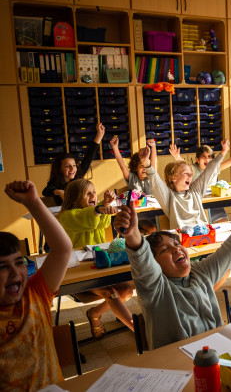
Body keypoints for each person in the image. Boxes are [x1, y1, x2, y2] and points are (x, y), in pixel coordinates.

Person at [113, 195, 231, 350]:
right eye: (165, 249)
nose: (176, 249)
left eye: (176, 244)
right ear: (154, 264)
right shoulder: (155, 288)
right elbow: (142, 263)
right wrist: (133, 234)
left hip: (215, 353)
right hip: (177, 364)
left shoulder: (200, 272)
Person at [0, 181, 73, 391]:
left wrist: (33, 202)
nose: (15, 273)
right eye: (3, 267)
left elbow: (62, 249)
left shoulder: (34, 294)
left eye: (19, 262)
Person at [58, 179, 134, 338]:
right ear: (74, 198)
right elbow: (88, 220)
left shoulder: (93, 211)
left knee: (126, 290)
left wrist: (105, 205)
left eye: (94, 191)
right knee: (110, 292)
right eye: (88, 193)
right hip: (81, 272)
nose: (93, 195)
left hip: (101, 266)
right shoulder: (66, 216)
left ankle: (94, 313)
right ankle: (138, 330)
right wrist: (100, 208)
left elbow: (101, 223)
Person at [143, 139, 229, 229]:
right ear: (173, 177)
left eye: (191, 174)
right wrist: (146, 162)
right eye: (186, 174)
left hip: (204, 236)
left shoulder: (195, 190)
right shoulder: (168, 196)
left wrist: (224, 151)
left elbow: (210, 169)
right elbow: (154, 179)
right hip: (183, 239)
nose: (190, 176)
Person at [42, 122, 105, 205]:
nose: (72, 169)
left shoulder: (78, 174)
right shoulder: (56, 182)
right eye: (67, 166)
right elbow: (45, 191)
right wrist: (59, 192)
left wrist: (99, 135)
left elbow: (89, 157)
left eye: (74, 165)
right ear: (59, 169)